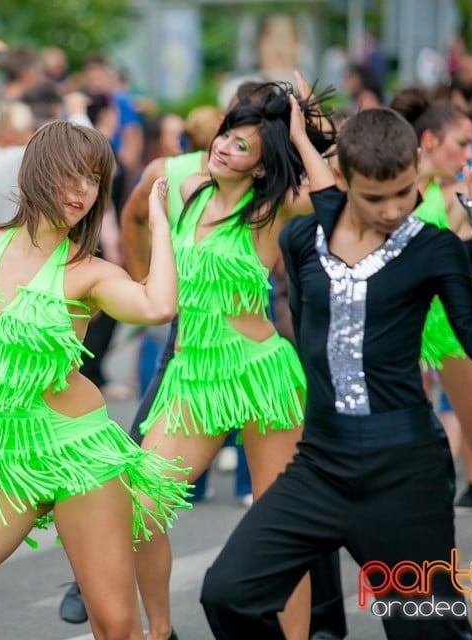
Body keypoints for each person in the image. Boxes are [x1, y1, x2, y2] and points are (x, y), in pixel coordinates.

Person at [200, 104, 472, 639]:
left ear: (415, 165)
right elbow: (304, 319)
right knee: (230, 593)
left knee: (428, 630)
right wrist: (303, 139)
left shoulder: (433, 248)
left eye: (403, 191)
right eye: (375, 197)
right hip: (319, 466)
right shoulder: (303, 241)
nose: (394, 209)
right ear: (345, 180)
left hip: (405, 473)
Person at [0, 120, 190, 639]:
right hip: (1, 457)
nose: (82, 191)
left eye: (94, 180)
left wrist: (161, 226)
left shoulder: (88, 273)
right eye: (71, 175)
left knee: (115, 628)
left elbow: (158, 305)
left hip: (79, 452)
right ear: (37, 173)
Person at [126, 80, 333, 640]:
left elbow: (330, 188)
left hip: (260, 374)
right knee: (138, 508)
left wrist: (299, 130)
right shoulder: (188, 189)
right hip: (193, 375)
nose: (224, 148)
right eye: (226, 136)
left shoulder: (271, 210)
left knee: (279, 527)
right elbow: (138, 231)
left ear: (262, 167)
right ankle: (160, 631)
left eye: (243, 146)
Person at [389, 89, 472, 576]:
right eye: (462, 143)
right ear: (428, 139)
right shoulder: (397, 188)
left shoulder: (462, 190)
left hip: (454, 329)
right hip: (409, 333)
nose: (470, 156)